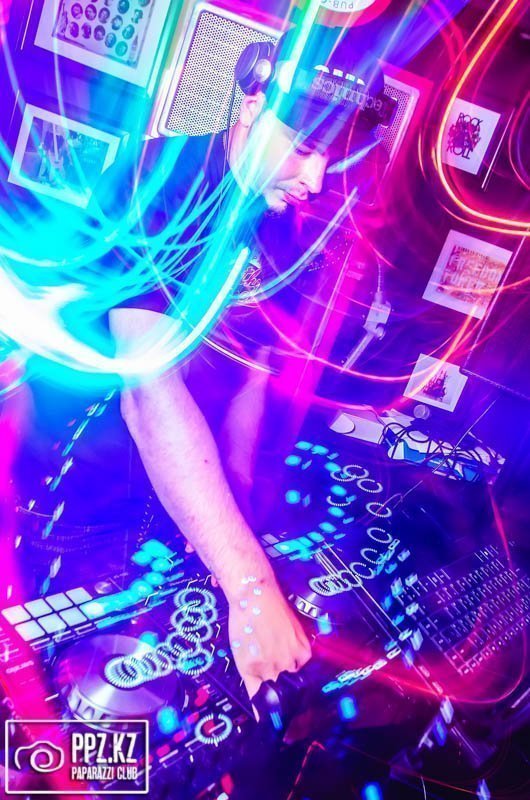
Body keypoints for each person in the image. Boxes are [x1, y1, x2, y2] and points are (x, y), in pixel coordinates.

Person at [10, 24, 390, 700]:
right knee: (68, 694)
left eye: (334, 159)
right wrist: (249, 584)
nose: (316, 179)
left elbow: (254, 375)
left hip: (178, 489)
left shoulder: (284, 221)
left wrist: (236, 506)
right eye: (305, 149)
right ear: (252, 105)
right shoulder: (161, 184)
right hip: (71, 491)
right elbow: (150, 393)